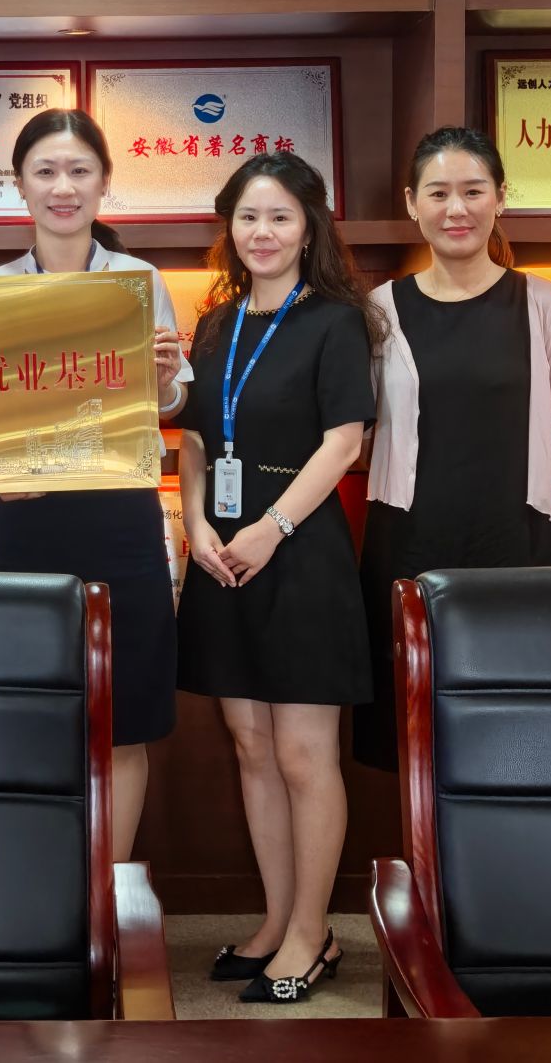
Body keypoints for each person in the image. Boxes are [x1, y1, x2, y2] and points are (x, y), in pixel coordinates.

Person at [176, 151, 377, 1005]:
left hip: (298, 553)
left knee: (301, 752)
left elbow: (344, 442)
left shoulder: (336, 320)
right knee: (251, 746)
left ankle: (313, 932)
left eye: (280, 217)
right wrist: (194, 523)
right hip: (223, 556)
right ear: (230, 227)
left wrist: (270, 527)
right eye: (248, 217)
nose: (262, 232)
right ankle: (275, 920)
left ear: (309, 227)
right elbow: (194, 438)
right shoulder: (216, 323)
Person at [353, 126, 551, 770]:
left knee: (518, 724)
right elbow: (360, 436)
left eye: (473, 191)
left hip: (517, 545)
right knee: (414, 730)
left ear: (500, 198)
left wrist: (527, 490)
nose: (456, 209)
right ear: (412, 203)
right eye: (438, 193)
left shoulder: (542, 302)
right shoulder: (381, 309)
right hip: (407, 543)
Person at [0, 107, 191, 862]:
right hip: (23, 520)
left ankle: (110, 893)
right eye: (45, 171)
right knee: (32, 713)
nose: (62, 187)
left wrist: (162, 380)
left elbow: (171, 403)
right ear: (19, 184)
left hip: (120, 520)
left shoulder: (138, 281)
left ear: (104, 182)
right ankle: (44, 888)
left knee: (124, 722)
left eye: (79, 171)